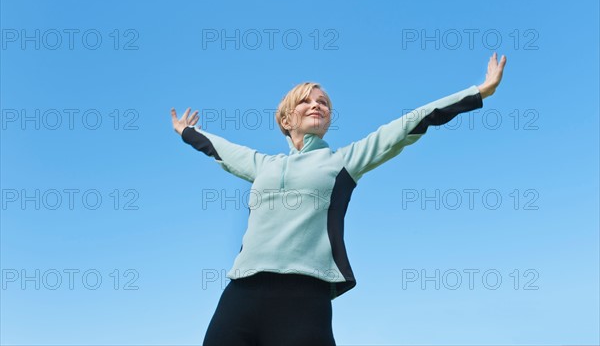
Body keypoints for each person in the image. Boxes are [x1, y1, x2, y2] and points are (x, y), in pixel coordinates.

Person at [170, 52, 507, 346]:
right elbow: (219, 149)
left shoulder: (342, 161)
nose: (317, 104)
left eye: (324, 103)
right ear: (286, 120)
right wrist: (186, 131)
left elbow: (408, 124)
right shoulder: (263, 166)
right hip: (240, 295)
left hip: (304, 298)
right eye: (306, 100)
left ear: (328, 118)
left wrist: (479, 91)